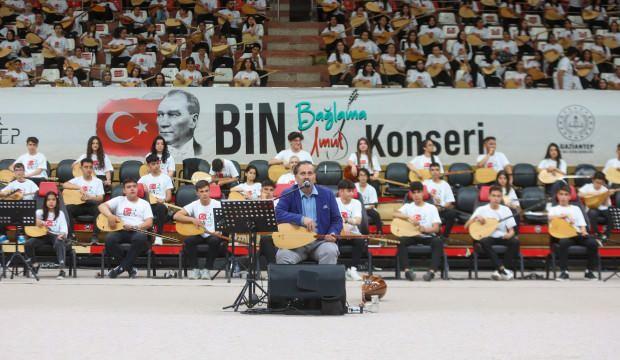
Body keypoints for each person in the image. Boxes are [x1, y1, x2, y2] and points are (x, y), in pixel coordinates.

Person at [275, 161, 343, 264]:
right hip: (296, 243)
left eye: (310, 173)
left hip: (321, 242)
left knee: (331, 250)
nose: (306, 177)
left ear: (315, 176)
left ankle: (324, 280)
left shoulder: (327, 194)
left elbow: (337, 220)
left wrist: (332, 233)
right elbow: (278, 214)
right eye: (302, 173)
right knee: (282, 255)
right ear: (296, 177)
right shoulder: (289, 193)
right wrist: (301, 219)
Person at [99, 178, 154, 278]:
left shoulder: (144, 203)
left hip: (137, 231)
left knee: (140, 238)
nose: (132, 189)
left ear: (137, 189)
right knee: (109, 239)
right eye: (129, 187)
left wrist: (135, 227)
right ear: (124, 191)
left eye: (134, 186)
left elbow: (149, 222)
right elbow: (101, 206)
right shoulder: (119, 200)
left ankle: (120, 268)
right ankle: (129, 268)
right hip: (120, 230)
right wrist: (110, 215)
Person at [465, 185, 518, 281]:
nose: (496, 198)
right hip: (488, 237)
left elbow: (512, 231)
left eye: (498, 196)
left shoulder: (506, 210)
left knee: (515, 242)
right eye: (493, 196)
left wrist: (509, 235)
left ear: (501, 197)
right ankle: (502, 269)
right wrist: (475, 219)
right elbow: (466, 226)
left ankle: (499, 271)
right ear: (489, 197)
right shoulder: (481, 209)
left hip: (502, 237)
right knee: (484, 241)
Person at [173, 180, 224, 280]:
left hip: (212, 234)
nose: (204, 194)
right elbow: (176, 216)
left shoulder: (217, 204)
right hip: (199, 233)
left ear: (210, 191)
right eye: (201, 191)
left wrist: (219, 230)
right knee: (188, 241)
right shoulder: (194, 204)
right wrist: (192, 219)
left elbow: (224, 220)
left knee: (214, 240)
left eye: (206, 191)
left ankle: (207, 270)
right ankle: (195, 269)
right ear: (197, 193)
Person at [393, 181, 443, 282]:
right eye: (414, 192)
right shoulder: (408, 206)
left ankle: (431, 272)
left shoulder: (431, 208)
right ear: (411, 194)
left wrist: (424, 229)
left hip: (427, 235)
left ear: (423, 193)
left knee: (438, 242)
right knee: (401, 241)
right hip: (412, 236)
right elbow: (395, 214)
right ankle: (407, 271)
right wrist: (408, 217)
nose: (416, 195)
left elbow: (436, 228)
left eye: (418, 192)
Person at [549, 185, 598, 281]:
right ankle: (564, 272)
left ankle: (589, 271)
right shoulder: (553, 209)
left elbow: (582, 225)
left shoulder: (576, 208)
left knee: (592, 243)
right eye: (561, 194)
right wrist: (563, 216)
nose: (563, 197)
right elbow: (550, 218)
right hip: (563, 236)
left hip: (577, 235)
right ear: (557, 196)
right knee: (563, 243)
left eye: (566, 194)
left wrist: (583, 231)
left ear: (570, 197)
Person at [24, 191, 69, 279]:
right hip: (42, 236)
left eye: (53, 200)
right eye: (48, 200)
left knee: (59, 241)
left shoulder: (60, 214)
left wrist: (62, 234)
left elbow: (64, 229)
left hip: (55, 235)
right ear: (45, 202)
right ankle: (35, 265)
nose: (51, 202)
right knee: (28, 244)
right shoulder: (39, 212)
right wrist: (36, 221)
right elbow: (28, 220)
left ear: (57, 201)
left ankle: (62, 270)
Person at [62, 158, 104, 245]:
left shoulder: (98, 181)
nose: (88, 169)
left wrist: (90, 197)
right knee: (67, 208)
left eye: (90, 167)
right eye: (86, 167)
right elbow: (64, 185)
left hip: (92, 204)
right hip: (79, 205)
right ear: (81, 168)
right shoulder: (77, 180)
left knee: (100, 208)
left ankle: (95, 237)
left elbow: (100, 198)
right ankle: (71, 236)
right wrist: (78, 188)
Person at [138, 154, 174, 245]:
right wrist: (144, 191)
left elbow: (169, 197)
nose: (156, 166)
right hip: (148, 204)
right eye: (153, 164)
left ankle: (158, 236)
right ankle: (147, 236)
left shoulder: (166, 178)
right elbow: (137, 193)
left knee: (161, 207)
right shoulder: (143, 179)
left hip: (161, 204)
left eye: (157, 163)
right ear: (148, 166)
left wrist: (164, 200)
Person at [156, 89, 203, 158]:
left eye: (173, 115)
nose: (163, 124)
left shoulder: (201, 152)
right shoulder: (152, 155)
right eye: (160, 114)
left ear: (193, 120)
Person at [0, 163, 39, 244]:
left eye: (20, 170)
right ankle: (3, 235)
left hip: (28, 207)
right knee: (3, 208)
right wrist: (11, 196)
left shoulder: (30, 183)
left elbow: (38, 194)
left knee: (21, 208)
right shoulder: (12, 184)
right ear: (14, 172)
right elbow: (2, 193)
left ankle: (21, 235)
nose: (19, 172)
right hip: (14, 208)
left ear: (24, 171)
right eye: (16, 170)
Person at [336, 179, 364, 281]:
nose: (352, 193)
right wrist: (342, 226)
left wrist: (347, 220)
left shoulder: (356, 203)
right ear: (341, 191)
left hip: (353, 233)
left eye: (353, 191)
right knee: (331, 240)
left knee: (360, 241)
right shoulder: (334, 202)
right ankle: (338, 269)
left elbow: (358, 220)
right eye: (349, 191)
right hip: (338, 233)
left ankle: (353, 269)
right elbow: (333, 219)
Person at [423, 163, 456, 238]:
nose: (435, 172)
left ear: (440, 172)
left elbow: (449, 201)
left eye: (437, 170)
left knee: (452, 213)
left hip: (441, 209)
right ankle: (431, 234)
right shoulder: (425, 183)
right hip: (429, 210)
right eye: (432, 170)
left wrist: (441, 208)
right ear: (429, 172)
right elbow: (421, 196)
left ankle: (444, 237)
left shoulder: (445, 184)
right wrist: (431, 194)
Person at [579, 171, 612, 240]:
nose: (598, 185)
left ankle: (606, 235)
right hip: (591, 207)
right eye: (597, 182)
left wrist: (605, 197)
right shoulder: (587, 186)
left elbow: (606, 204)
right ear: (593, 180)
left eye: (601, 183)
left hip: (602, 208)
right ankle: (596, 233)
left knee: (610, 214)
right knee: (593, 213)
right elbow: (579, 194)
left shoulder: (605, 189)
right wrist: (593, 194)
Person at [355, 168, 382, 234]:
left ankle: (379, 232)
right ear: (358, 177)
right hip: (356, 208)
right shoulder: (354, 187)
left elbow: (373, 204)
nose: (363, 177)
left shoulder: (372, 189)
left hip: (368, 209)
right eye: (361, 175)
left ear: (367, 177)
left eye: (365, 175)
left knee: (376, 214)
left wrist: (364, 208)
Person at [258, 179, 278, 265]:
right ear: (261, 190)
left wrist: (263, 201)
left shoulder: (278, 202)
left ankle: (272, 267)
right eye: (266, 189)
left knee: (265, 239)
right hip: (257, 234)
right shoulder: (254, 202)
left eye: (271, 190)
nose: (268, 192)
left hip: (272, 234)